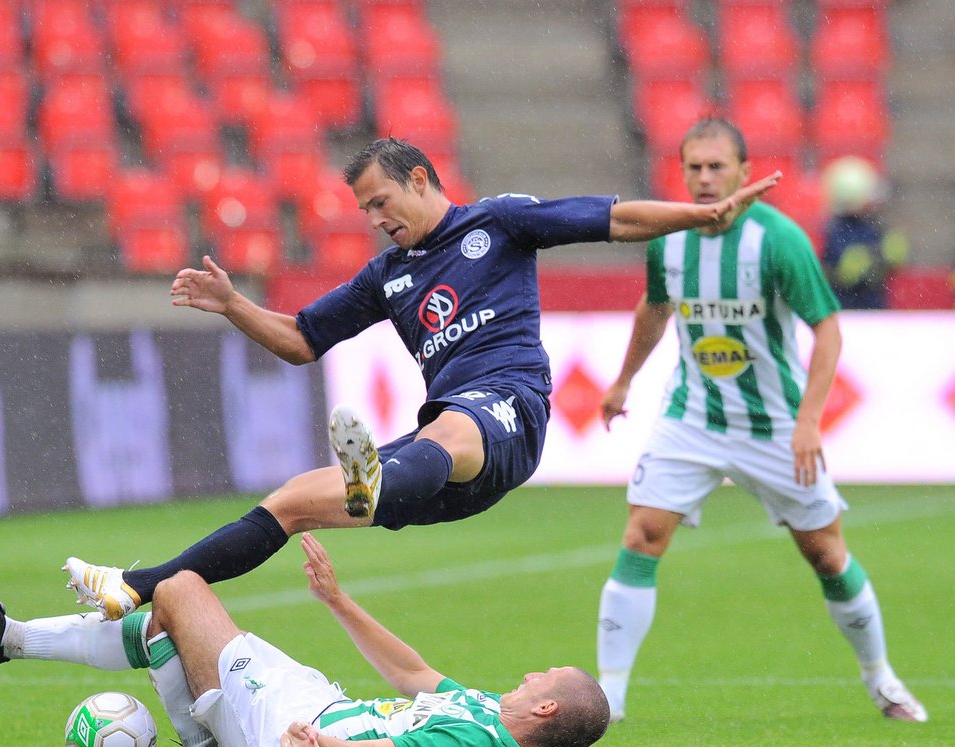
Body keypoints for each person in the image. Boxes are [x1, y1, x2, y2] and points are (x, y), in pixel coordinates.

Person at [63, 136, 781, 621]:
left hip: (507, 410)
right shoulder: (387, 276)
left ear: (419, 178)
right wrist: (233, 304)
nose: (376, 219)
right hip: (431, 464)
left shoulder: (500, 224)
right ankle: (133, 586)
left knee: (450, 425)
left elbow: (615, 220)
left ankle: (374, 478)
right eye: (364, 210)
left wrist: (702, 213)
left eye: (381, 202)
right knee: (286, 501)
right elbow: (302, 340)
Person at [595, 119, 927, 724]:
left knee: (826, 553)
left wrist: (809, 422)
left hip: (774, 425)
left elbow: (827, 329)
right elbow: (656, 305)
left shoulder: (779, 240)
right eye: (693, 166)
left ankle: (882, 679)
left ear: (744, 173)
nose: (703, 178)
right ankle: (610, 695)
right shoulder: (668, 237)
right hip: (690, 416)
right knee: (643, 533)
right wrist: (624, 381)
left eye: (716, 166)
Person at [0, 533, 609, 747]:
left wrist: (320, 745)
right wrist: (338, 599)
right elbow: (412, 673)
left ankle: (20, 633)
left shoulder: (479, 745)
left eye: (542, 676)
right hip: (316, 701)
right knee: (160, 629)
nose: (530, 672)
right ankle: (6, 639)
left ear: (547, 705)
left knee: (179, 590)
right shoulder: (487, 714)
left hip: (290, 728)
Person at [820, 155, 908, 310]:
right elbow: (848, 270)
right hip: (848, 312)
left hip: (873, 310)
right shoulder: (835, 230)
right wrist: (879, 256)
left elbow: (895, 259)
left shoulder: (872, 225)